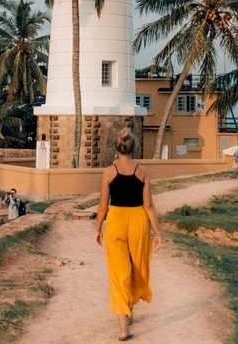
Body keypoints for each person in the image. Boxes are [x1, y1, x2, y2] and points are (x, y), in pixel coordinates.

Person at [95, 128, 161, 342]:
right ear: (133, 148)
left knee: (118, 273)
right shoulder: (142, 171)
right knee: (136, 267)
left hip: (115, 221)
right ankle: (128, 311)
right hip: (138, 221)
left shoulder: (108, 172)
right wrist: (157, 232)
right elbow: (149, 205)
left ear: (117, 148)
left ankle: (123, 327)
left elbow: (103, 206)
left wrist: (97, 229)